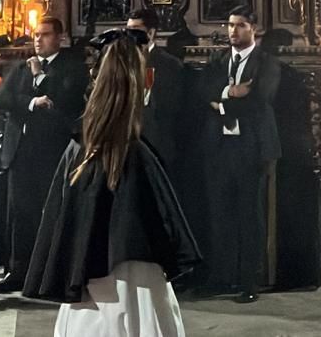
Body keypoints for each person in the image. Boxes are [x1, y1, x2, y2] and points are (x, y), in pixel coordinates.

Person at [23, 31, 202, 336]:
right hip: (132, 279)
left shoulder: (82, 149)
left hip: (91, 280)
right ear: (139, 80)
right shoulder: (133, 154)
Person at [0, 15, 90, 292]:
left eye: (45, 35)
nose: (38, 40)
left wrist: (40, 77)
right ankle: (18, 270)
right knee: (20, 214)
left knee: (51, 214)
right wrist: (31, 102)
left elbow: (67, 99)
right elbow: (4, 100)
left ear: (59, 37)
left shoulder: (72, 68)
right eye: (36, 34)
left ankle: (48, 272)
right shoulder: (20, 67)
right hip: (20, 152)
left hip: (51, 153)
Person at [198, 6, 280, 303]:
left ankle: (249, 282)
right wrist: (228, 93)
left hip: (251, 148)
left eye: (240, 25)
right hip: (219, 147)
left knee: (250, 215)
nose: (233, 31)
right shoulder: (219, 59)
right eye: (230, 25)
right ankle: (222, 276)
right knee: (220, 214)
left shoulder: (267, 63)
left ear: (253, 29)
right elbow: (201, 89)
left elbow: (261, 99)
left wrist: (218, 103)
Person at [127, 8, 184, 165]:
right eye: (128, 30)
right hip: (128, 142)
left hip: (158, 143)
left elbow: (172, 108)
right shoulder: (123, 62)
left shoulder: (170, 65)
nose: (129, 36)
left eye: (135, 30)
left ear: (150, 33)